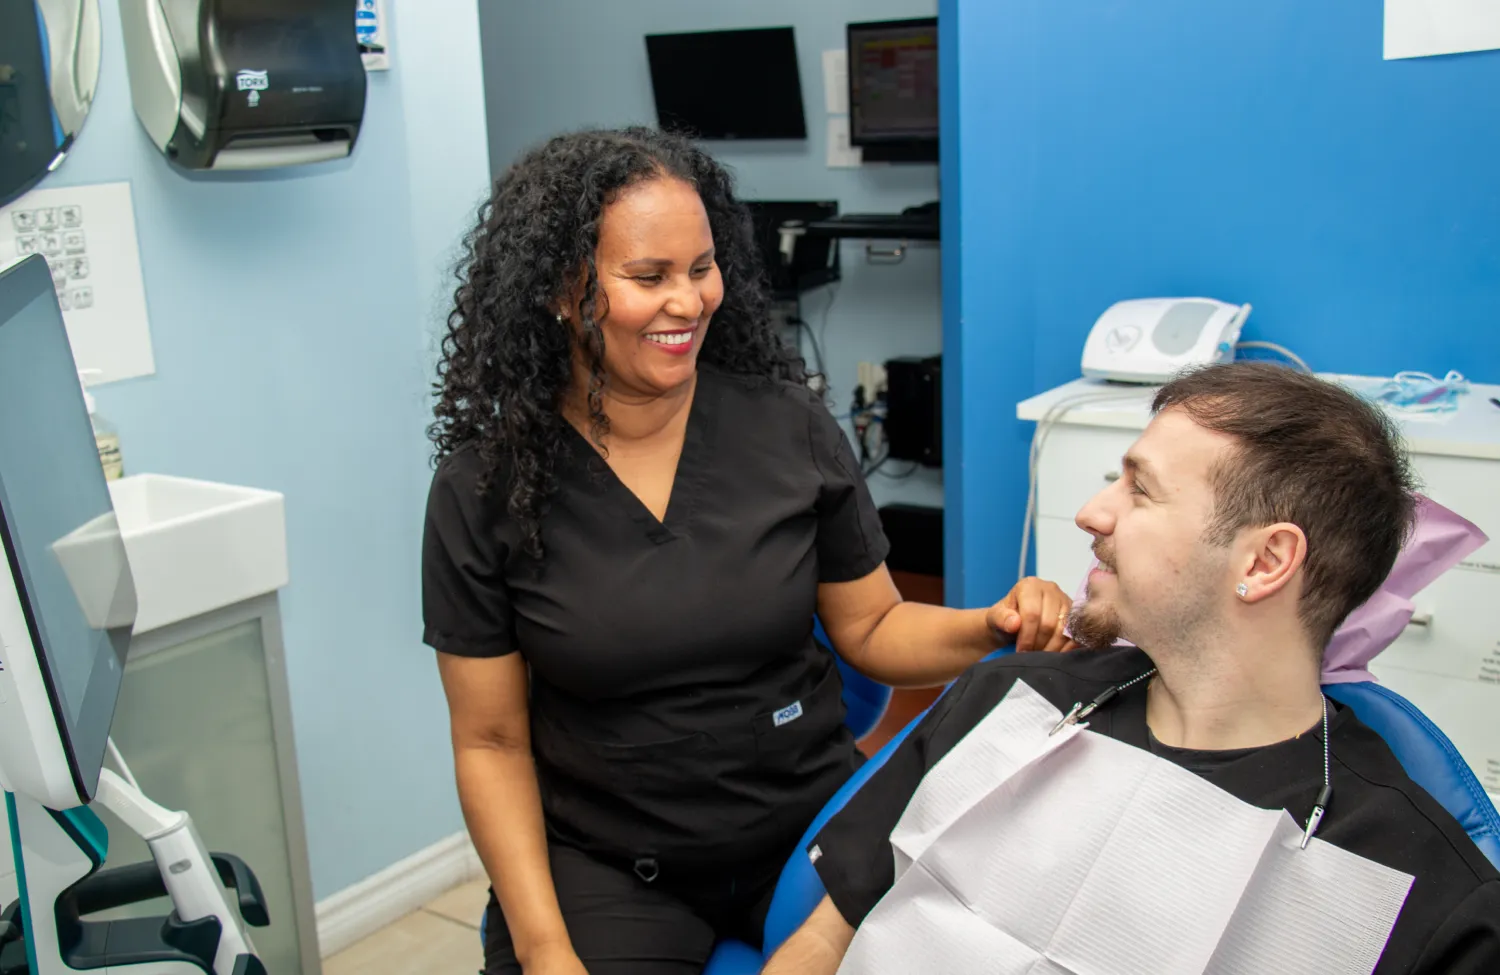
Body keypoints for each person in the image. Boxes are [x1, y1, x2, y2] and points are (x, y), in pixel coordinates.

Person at [421, 127, 1076, 975]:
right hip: (613, 865)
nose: (689, 302)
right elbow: (492, 743)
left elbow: (873, 627)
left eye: (701, 267)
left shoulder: (787, 427)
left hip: (809, 830)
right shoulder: (484, 491)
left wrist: (989, 625)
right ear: (560, 291)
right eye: (648, 276)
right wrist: (547, 949)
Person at [765, 363, 1500, 975]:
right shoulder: (1007, 699)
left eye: (1139, 489)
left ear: (1265, 560)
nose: (1091, 513)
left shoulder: (1430, 894)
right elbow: (827, 937)